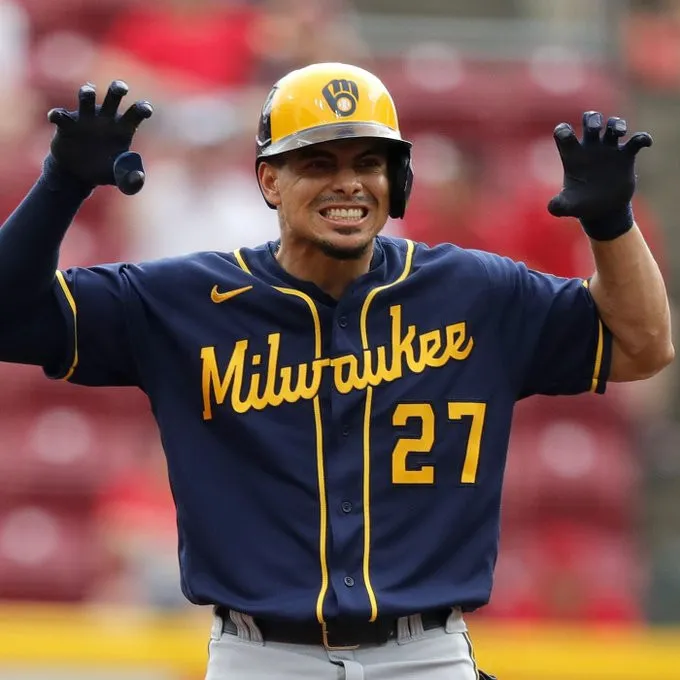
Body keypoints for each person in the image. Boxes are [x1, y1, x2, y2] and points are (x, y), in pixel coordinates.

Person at [0, 62, 673, 679]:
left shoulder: (479, 293)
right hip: (258, 656)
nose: (348, 181)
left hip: (428, 654)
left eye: (370, 161)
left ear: (396, 180)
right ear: (269, 180)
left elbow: (643, 346)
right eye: (317, 162)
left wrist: (612, 223)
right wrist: (61, 185)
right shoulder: (185, 300)